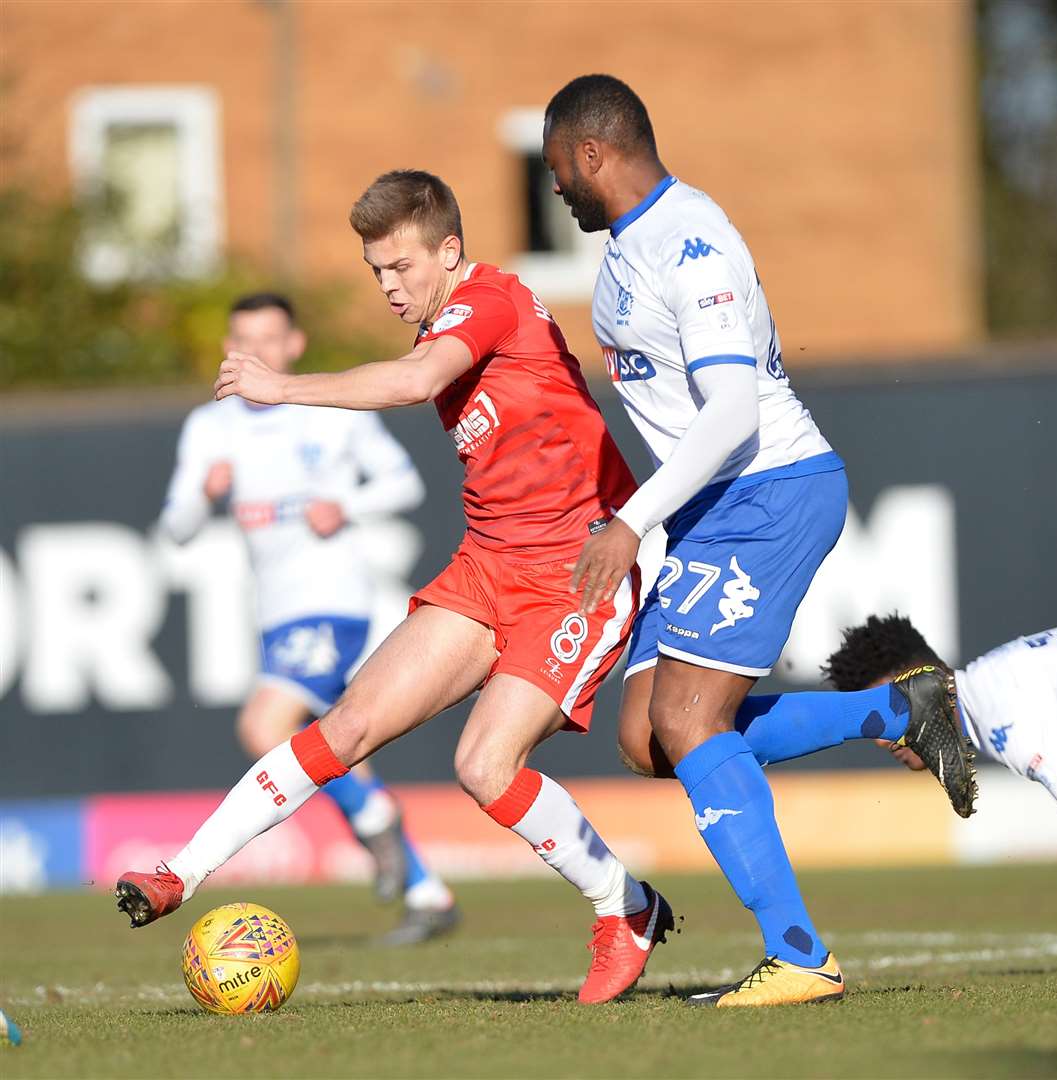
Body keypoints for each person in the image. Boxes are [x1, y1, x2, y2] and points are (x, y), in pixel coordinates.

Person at [116, 170, 674, 1005]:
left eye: (401, 267)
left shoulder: (487, 300)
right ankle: (178, 874)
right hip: (488, 565)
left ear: (449, 251)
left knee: (484, 766)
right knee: (344, 728)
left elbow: (414, 383)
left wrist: (280, 389)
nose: (387, 286)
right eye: (375, 271)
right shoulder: (444, 317)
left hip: (581, 568)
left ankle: (622, 907)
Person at [542, 74, 974, 1008]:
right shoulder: (626, 246)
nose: (554, 192)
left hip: (768, 489)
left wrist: (630, 520)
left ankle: (799, 955)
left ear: (591, 154)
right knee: (647, 738)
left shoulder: (690, 240)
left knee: (688, 723)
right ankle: (899, 713)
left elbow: (733, 411)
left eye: (554, 172)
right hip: (716, 507)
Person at [159, 291, 459, 945]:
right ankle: (424, 889)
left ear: (293, 346)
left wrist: (344, 504)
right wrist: (203, 497)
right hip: (275, 614)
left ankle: (374, 817)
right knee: (330, 744)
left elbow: (403, 482)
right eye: (241, 340)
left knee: (265, 723)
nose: (253, 352)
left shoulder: (328, 412)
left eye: (267, 340)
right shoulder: (210, 427)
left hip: (335, 601)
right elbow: (174, 528)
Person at [821, 616, 1057, 828]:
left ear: (927, 680)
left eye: (887, 712)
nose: (879, 739)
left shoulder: (1000, 708)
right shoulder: (993, 681)